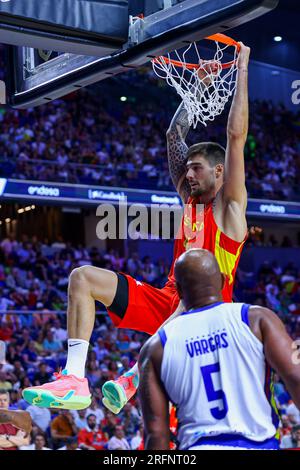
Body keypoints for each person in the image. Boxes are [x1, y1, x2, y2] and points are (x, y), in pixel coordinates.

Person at [22, 43, 250, 414]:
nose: (188, 173)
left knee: (191, 297)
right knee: (83, 277)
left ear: (219, 172)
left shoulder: (231, 209)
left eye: (197, 168)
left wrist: (241, 70)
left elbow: (236, 137)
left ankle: (135, 374)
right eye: (187, 168)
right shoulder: (189, 199)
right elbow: (174, 137)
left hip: (210, 312)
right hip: (169, 302)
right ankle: (74, 379)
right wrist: (195, 91)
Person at [138, 249, 300, 450]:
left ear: (178, 291)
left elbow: (156, 434)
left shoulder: (155, 347)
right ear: (223, 281)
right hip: (258, 443)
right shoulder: (257, 319)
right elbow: (295, 376)